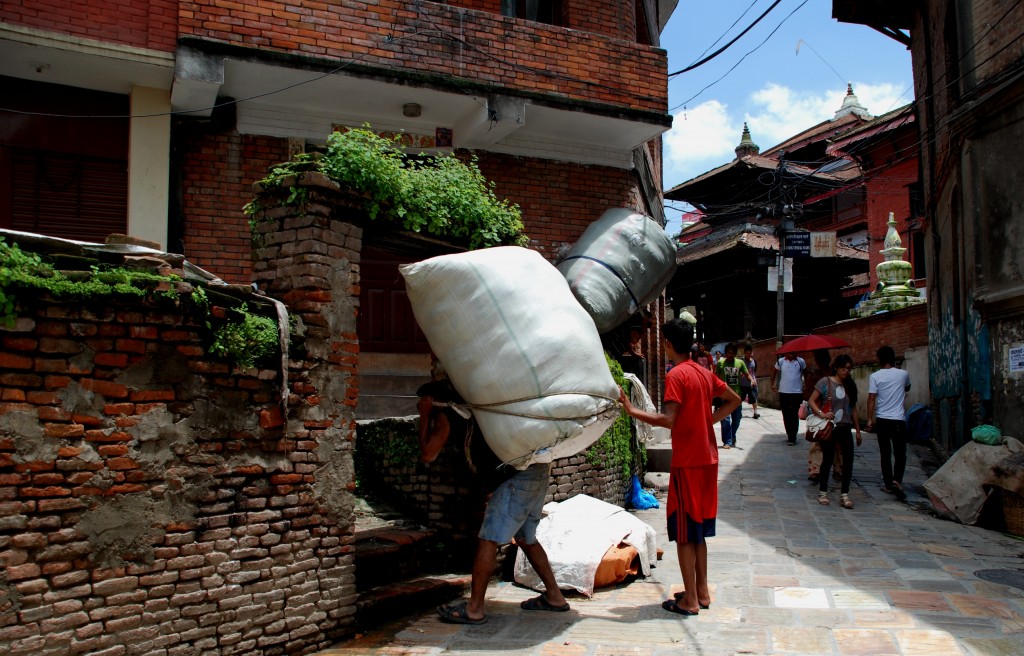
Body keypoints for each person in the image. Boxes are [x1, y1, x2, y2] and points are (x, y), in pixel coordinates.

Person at [421, 359, 569, 625]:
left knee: (488, 539)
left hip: (518, 477)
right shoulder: (473, 411)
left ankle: (475, 608)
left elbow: (428, 453)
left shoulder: (446, 416)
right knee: (526, 537)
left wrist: (423, 417)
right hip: (535, 469)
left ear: (431, 401)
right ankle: (555, 597)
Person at [618, 319, 741, 616]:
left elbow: (669, 419)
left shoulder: (677, 375)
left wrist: (634, 411)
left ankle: (690, 602)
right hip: (708, 460)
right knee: (698, 532)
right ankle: (701, 591)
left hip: (688, 462)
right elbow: (734, 400)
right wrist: (707, 421)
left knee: (685, 533)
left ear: (668, 344)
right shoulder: (703, 372)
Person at [807, 354, 862, 509]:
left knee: (848, 461)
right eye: (843, 368)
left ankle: (844, 494)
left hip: (845, 427)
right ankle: (822, 492)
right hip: (830, 427)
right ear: (836, 368)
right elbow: (811, 400)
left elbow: (853, 410)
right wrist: (821, 413)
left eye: (849, 368)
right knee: (828, 459)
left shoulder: (850, 386)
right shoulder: (826, 382)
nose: (846, 371)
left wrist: (858, 430)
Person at [866, 346, 911, 501]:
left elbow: (871, 398)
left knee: (885, 453)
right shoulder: (903, 374)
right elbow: (908, 387)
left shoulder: (875, 376)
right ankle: (897, 481)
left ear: (879, 359)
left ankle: (887, 484)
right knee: (900, 453)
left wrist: (869, 419)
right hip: (899, 419)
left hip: (882, 420)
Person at [806, 349, 841, 482]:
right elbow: (810, 397)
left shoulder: (830, 376)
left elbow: (808, 396)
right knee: (825, 441)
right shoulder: (818, 376)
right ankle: (834, 469)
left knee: (820, 441)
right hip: (822, 412)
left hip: (828, 412)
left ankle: (818, 469)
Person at [714, 343, 748, 449]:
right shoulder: (720, 363)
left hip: (737, 396)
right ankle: (727, 441)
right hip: (724, 396)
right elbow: (716, 377)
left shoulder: (740, 363)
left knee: (737, 418)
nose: (730, 355)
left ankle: (732, 436)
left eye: (732, 353)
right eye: (729, 353)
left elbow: (747, 374)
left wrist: (752, 381)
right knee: (725, 418)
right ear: (726, 353)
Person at [771, 351, 807, 445]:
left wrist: (805, 384)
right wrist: (772, 384)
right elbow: (774, 372)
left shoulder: (800, 361)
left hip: (796, 392)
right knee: (786, 414)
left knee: (794, 414)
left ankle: (793, 437)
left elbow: (805, 373)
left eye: (793, 352)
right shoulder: (781, 361)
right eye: (789, 353)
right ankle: (789, 433)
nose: (791, 354)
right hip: (783, 392)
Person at [739, 344, 759, 419]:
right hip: (743, 384)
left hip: (752, 384)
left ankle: (755, 413)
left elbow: (754, 372)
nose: (749, 355)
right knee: (740, 399)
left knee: (754, 398)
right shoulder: (741, 361)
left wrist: (754, 380)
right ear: (744, 353)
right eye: (747, 353)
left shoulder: (754, 362)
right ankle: (739, 412)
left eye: (750, 353)